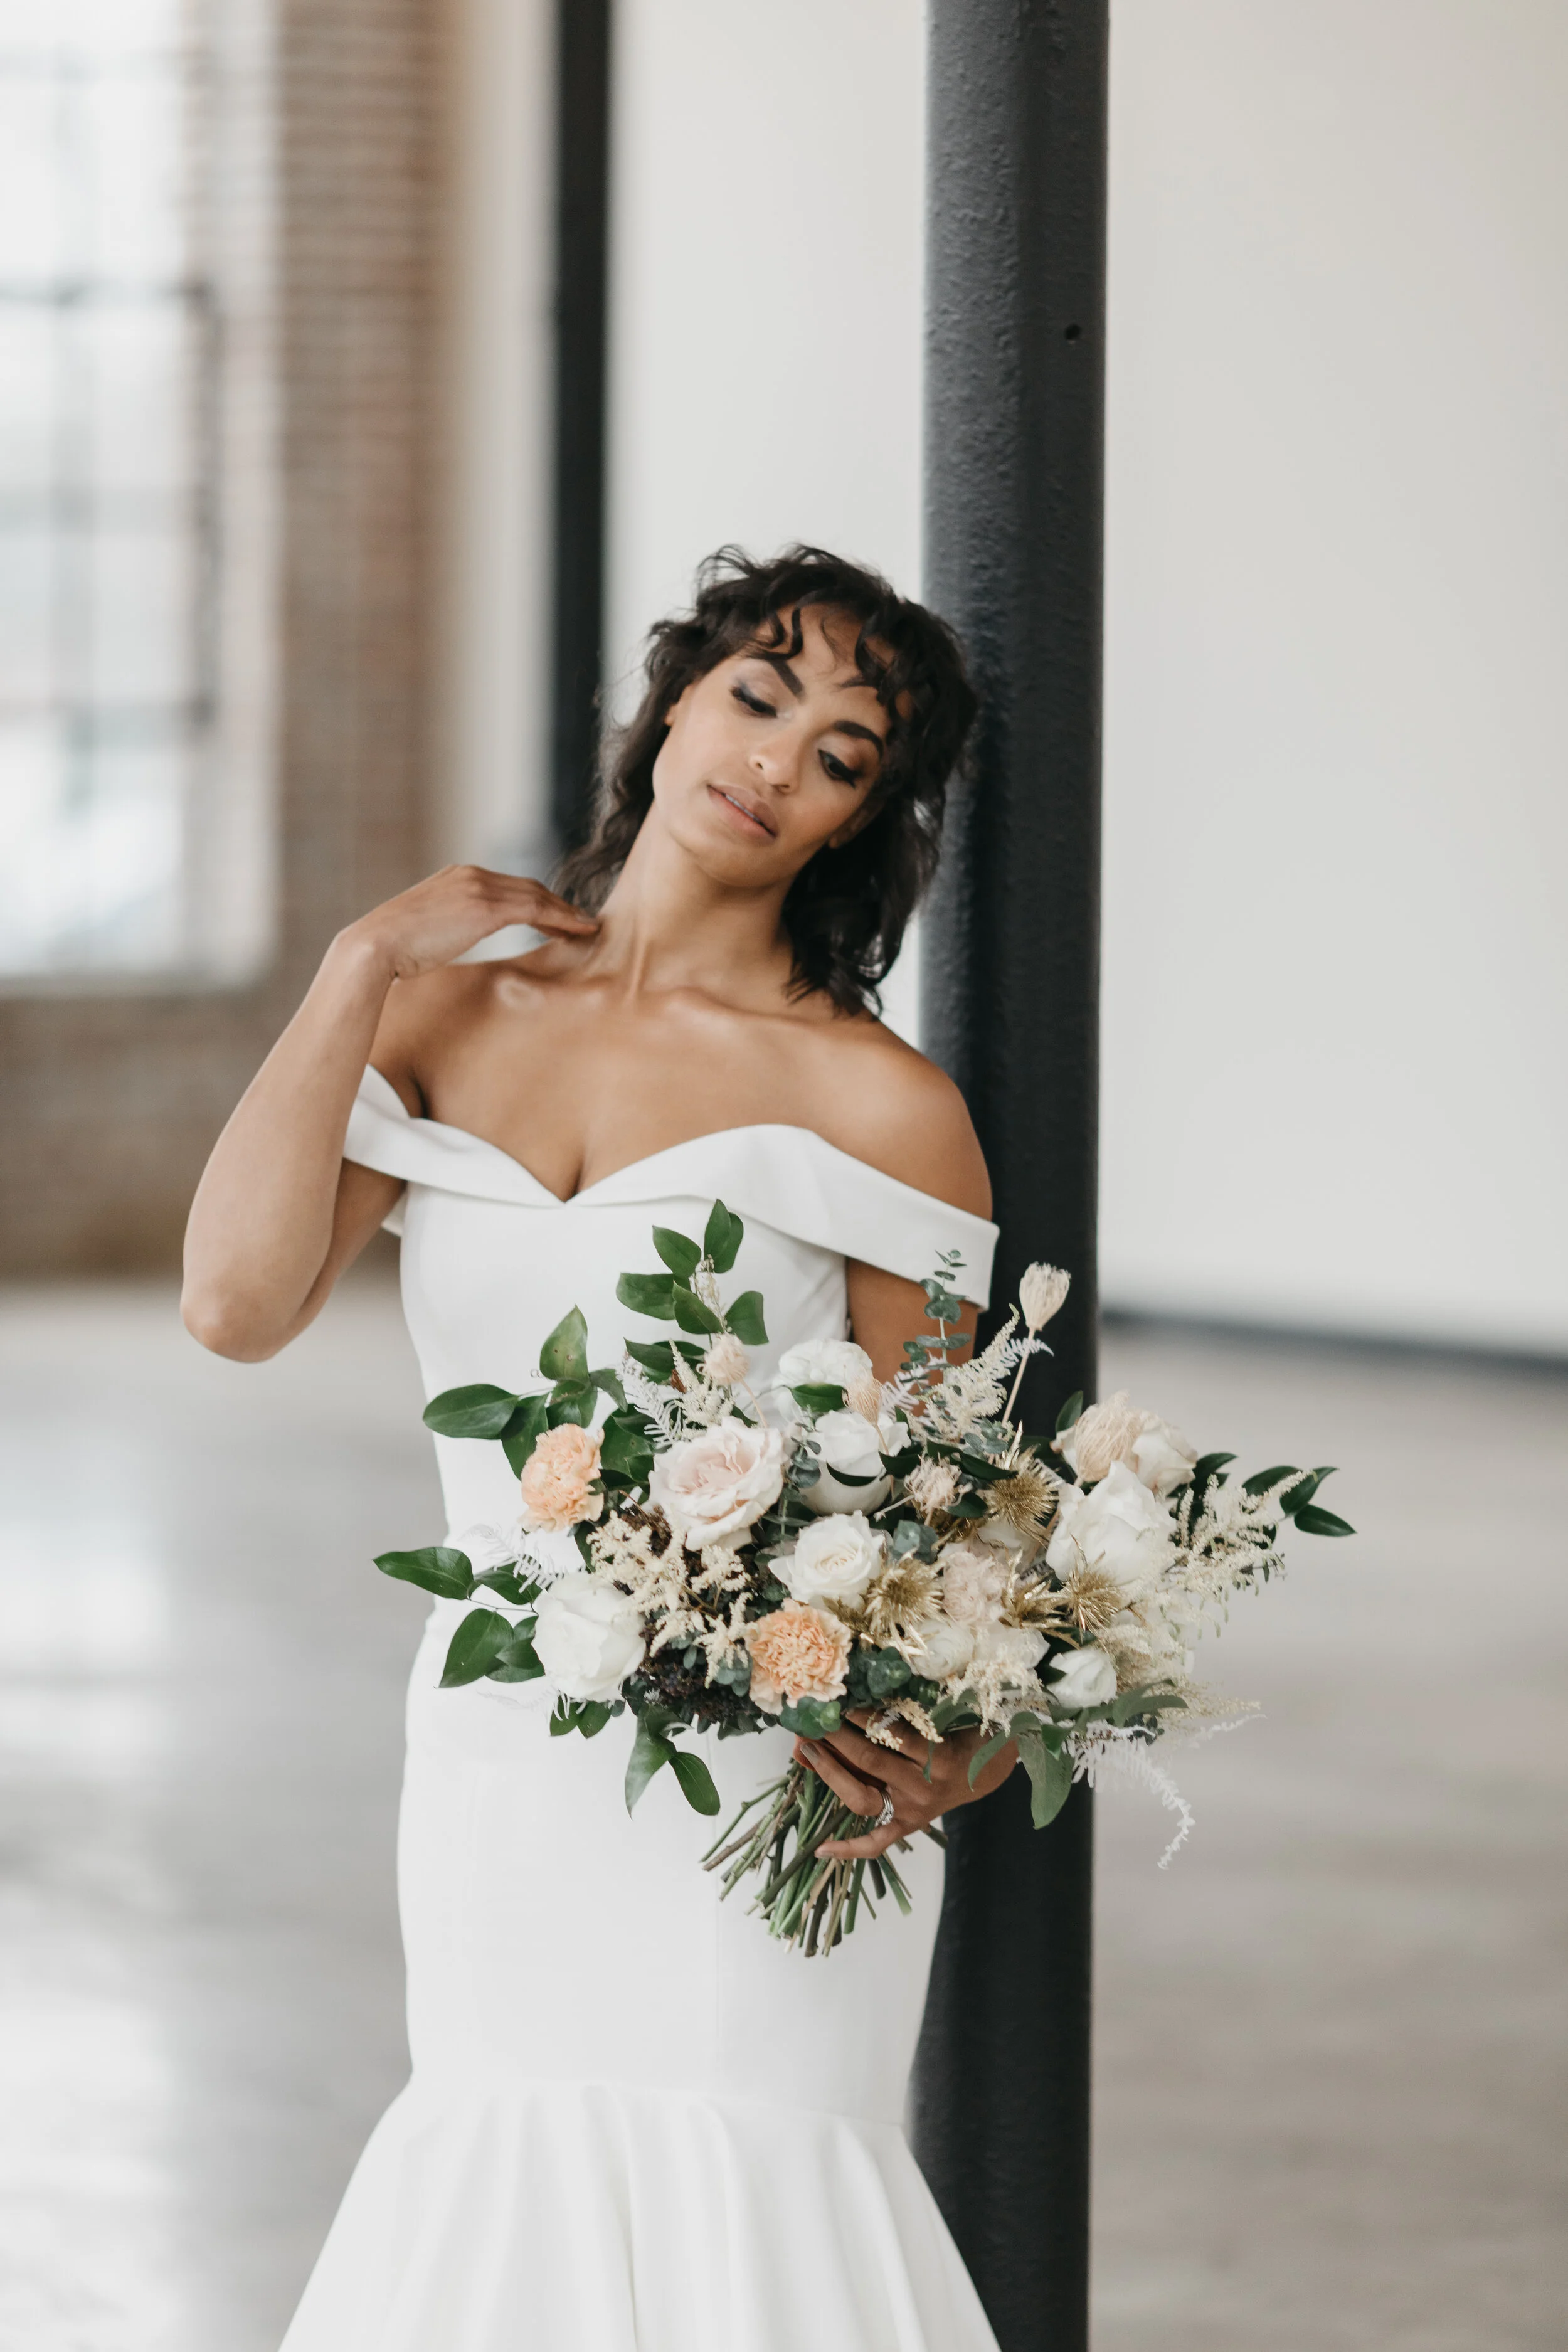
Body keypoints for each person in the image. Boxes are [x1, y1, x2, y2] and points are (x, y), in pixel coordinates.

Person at [183, 545, 1019, 2350]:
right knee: (506, 2179)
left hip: (767, 1767)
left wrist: (963, 1729)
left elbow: (954, 1492)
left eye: (842, 754)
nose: (775, 759)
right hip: (504, 1741)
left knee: (754, 2211)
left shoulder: (881, 1101)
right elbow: (236, 1305)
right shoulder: (441, 1010)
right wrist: (355, 966)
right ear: (673, 705)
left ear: (856, 825)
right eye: (758, 694)